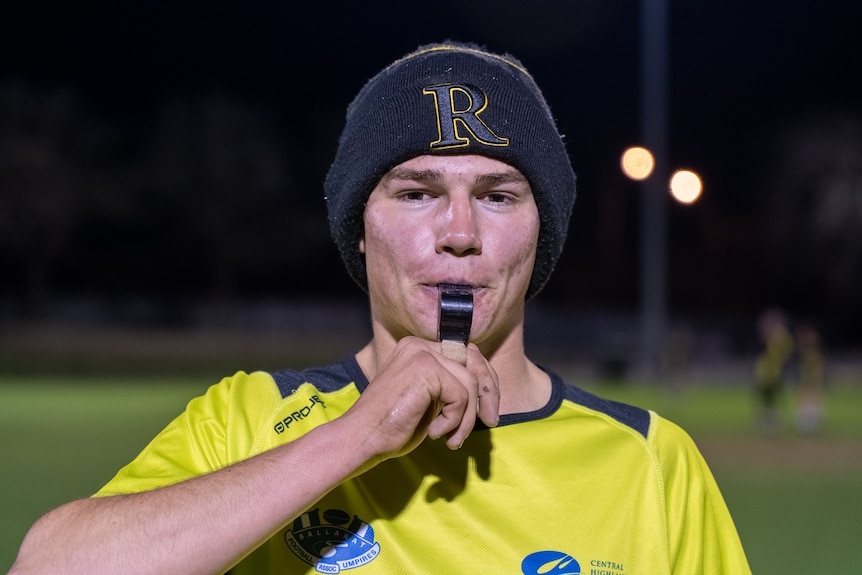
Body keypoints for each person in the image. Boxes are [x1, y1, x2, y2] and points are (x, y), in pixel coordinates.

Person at [10, 41, 751, 575]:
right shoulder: (247, 420)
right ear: (359, 230)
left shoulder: (652, 465)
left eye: (497, 196)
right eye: (416, 193)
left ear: (541, 233)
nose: (459, 233)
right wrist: (357, 435)